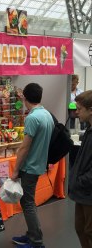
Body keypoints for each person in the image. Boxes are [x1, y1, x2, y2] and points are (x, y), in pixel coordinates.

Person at [11, 83, 54, 248]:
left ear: (24, 97)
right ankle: (31, 235)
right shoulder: (46, 114)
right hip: (39, 165)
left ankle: (36, 241)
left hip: (29, 167)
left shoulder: (32, 117)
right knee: (29, 201)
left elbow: (24, 147)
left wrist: (15, 170)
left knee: (27, 203)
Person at [69, 90, 92, 248]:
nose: (76, 112)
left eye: (79, 109)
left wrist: (81, 181)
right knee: (81, 229)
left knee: (89, 232)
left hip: (89, 191)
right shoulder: (89, 131)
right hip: (82, 192)